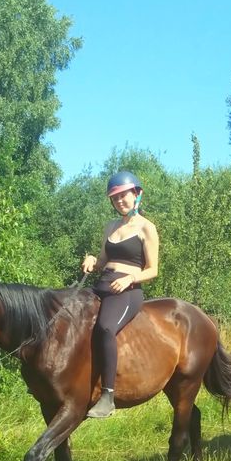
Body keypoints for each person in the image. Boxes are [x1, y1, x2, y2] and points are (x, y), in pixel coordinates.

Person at [80, 171, 160, 418]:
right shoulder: (110, 227)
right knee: (71, 315)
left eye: (124, 196)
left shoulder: (147, 228)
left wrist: (130, 278)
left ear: (137, 194)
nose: (120, 201)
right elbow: (104, 260)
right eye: (115, 198)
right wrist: (92, 259)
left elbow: (153, 270)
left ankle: (108, 395)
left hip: (127, 290)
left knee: (105, 328)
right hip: (103, 284)